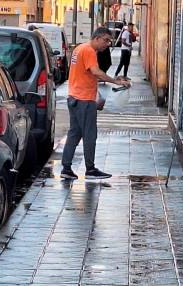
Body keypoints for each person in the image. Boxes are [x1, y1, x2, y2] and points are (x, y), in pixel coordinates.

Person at [61, 27, 131, 180]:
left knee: (74, 134)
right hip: (84, 101)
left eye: (110, 41)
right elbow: (96, 72)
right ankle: (90, 169)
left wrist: (97, 96)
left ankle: (66, 168)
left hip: (74, 97)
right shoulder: (89, 51)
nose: (107, 44)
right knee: (90, 135)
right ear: (97, 38)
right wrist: (115, 81)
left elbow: (86, 76)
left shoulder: (79, 48)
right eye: (106, 40)